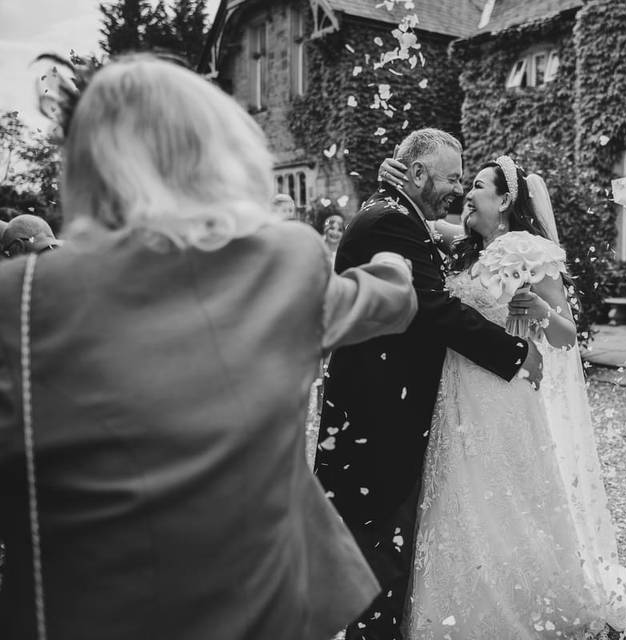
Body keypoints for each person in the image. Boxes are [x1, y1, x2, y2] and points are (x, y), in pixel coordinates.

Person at [0, 54, 419, 640]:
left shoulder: (18, 302)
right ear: (212, 157)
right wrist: (398, 244)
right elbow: (393, 299)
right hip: (261, 617)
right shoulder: (283, 265)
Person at [379, 153, 626, 637]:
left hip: (503, 398)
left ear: (504, 200)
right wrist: (390, 174)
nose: (466, 193)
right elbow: (417, 215)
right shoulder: (464, 246)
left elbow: (565, 337)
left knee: (510, 506)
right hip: (454, 399)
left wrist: (541, 308)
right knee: (458, 503)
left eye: (477, 185)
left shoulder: (527, 250)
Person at [314, 129, 544, 640]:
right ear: (417, 174)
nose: (459, 189)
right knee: (377, 540)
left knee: (374, 538)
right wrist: (515, 351)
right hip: (378, 414)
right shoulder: (392, 221)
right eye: (452, 178)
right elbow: (432, 309)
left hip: (375, 407)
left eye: (465, 180)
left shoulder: (396, 213)